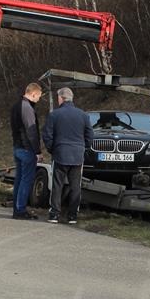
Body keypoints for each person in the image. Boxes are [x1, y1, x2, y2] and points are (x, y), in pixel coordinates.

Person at [41, 86, 93, 224]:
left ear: (61, 98)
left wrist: (52, 149)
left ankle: (54, 214)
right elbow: (90, 136)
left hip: (60, 154)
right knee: (75, 186)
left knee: (57, 185)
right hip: (77, 155)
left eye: (58, 97)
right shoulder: (83, 115)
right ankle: (72, 215)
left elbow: (47, 135)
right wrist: (84, 148)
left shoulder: (54, 115)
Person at [9, 81, 43, 219]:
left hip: (17, 147)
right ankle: (21, 209)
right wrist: (38, 151)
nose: (39, 100)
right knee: (26, 180)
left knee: (19, 179)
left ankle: (17, 209)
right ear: (33, 93)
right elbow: (31, 132)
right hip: (26, 149)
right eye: (38, 97)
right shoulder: (27, 108)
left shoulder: (16, 106)